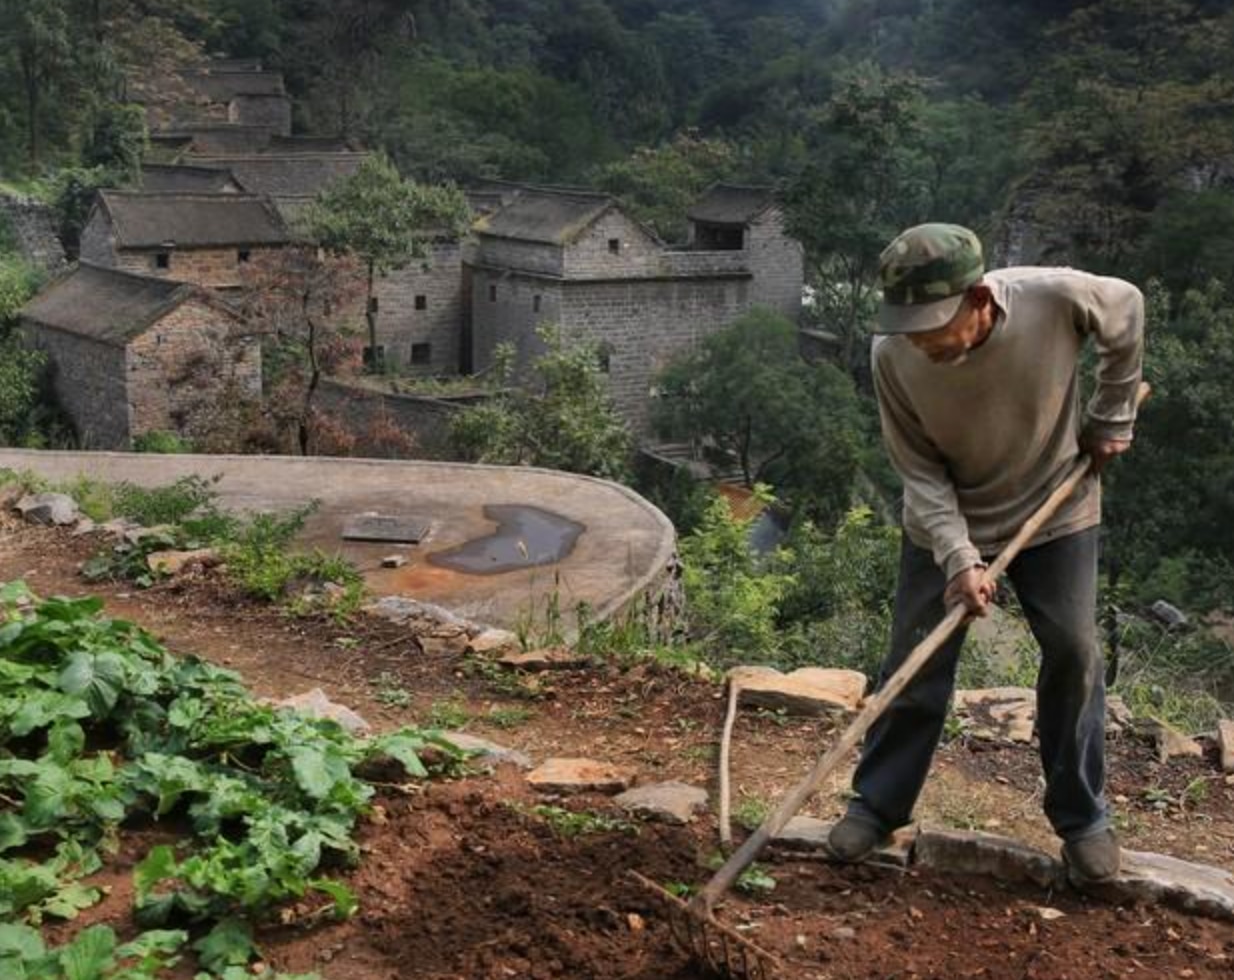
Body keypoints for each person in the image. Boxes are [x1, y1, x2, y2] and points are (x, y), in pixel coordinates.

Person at [826, 223, 1144, 882]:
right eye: (908, 324)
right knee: (916, 660)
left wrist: (1111, 418)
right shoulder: (894, 357)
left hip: (1056, 506)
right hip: (946, 520)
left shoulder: (1053, 298)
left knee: (1075, 652)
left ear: (978, 299)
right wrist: (958, 557)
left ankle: (1083, 818)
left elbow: (1128, 308)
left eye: (932, 324)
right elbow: (919, 473)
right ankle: (878, 804)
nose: (921, 340)